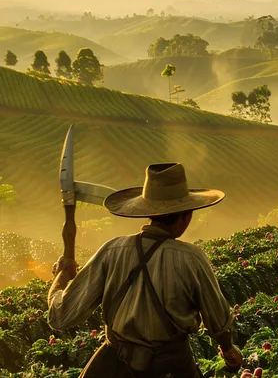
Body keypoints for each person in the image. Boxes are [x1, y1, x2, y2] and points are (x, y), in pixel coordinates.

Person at [48, 162, 243, 377]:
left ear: (148, 213)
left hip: (115, 365)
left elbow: (60, 315)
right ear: (185, 216)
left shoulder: (112, 250)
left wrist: (62, 275)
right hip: (172, 367)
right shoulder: (191, 258)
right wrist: (227, 349)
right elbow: (217, 318)